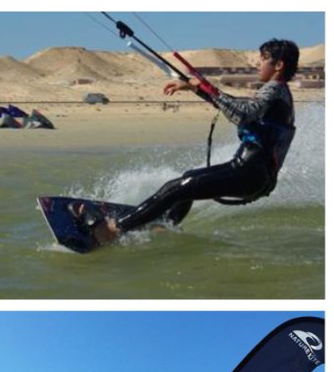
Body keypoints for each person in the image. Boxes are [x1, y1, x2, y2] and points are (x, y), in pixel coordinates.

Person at [76, 39, 299, 244]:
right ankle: (165, 225)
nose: (257, 64)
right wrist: (197, 88)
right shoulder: (280, 94)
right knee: (188, 180)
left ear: (278, 65)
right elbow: (234, 106)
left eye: (263, 59)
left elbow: (242, 113)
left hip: (250, 171)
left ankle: (113, 230)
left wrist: (205, 87)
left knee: (175, 188)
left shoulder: (273, 89)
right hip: (255, 174)